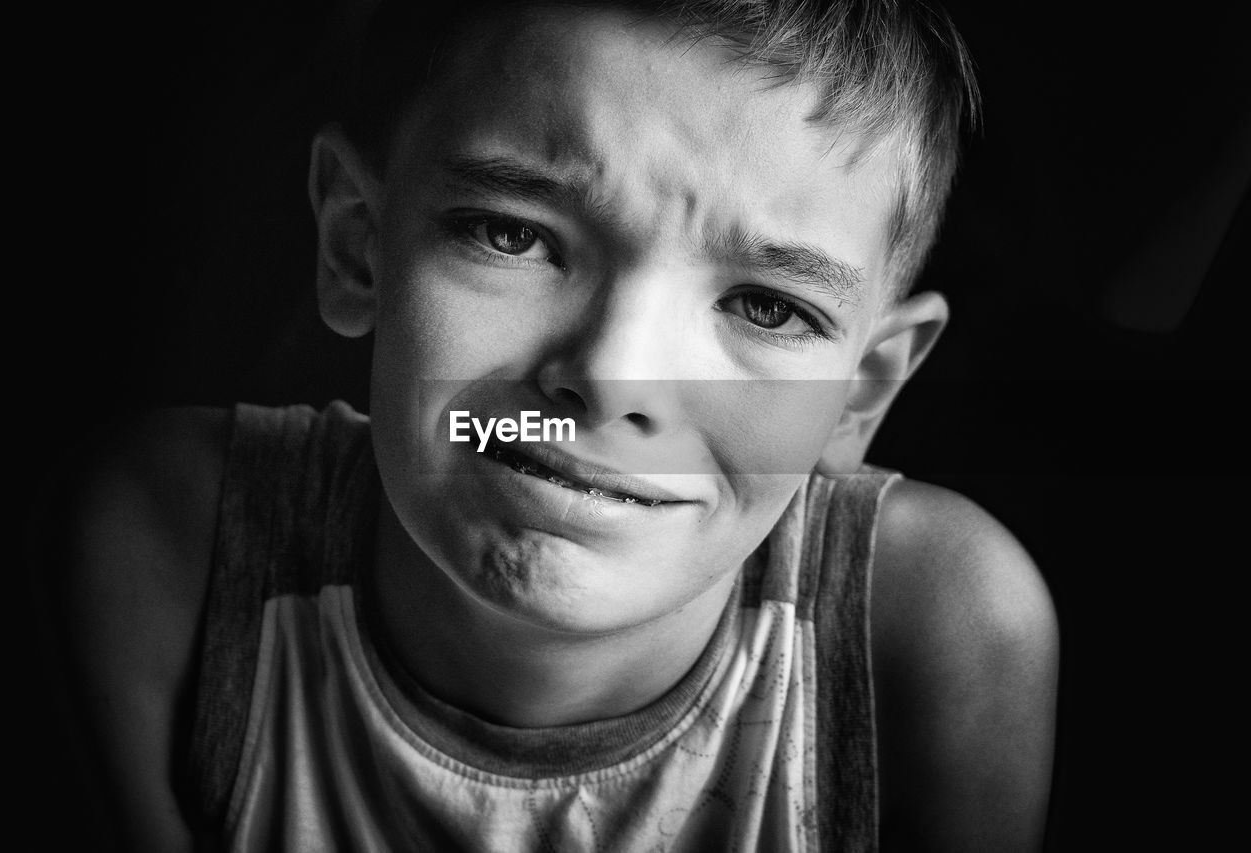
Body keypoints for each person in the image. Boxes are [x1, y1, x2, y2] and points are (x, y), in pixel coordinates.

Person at [57, 1, 1058, 850]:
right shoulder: (171, 544)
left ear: (859, 389)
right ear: (358, 246)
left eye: (766, 307)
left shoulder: (935, 628)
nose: (614, 379)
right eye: (513, 236)